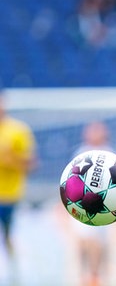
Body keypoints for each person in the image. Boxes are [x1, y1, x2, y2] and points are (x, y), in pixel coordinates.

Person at [72, 121, 113, 286]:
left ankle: (96, 276)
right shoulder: (80, 153)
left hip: (104, 206)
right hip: (81, 204)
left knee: (99, 242)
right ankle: (84, 276)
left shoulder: (111, 154)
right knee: (83, 241)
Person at [0, 90, 36, 271]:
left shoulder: (18, 130)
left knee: (9, 237)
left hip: (10, 195)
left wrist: (11, 158)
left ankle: (15, 273)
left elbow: (31, 164)